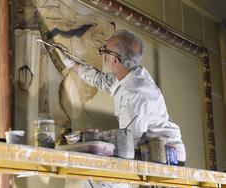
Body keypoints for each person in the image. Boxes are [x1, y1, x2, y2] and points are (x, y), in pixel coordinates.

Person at [55, 29, 186, 165]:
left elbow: (130, 140)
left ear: (114, 60)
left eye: (104, 50)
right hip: (152, 150)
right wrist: (70, 62)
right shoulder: (131, 74)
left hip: (167, 156)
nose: (103, 52)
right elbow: (100, 80)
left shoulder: (134, 93)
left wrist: (89, 141)